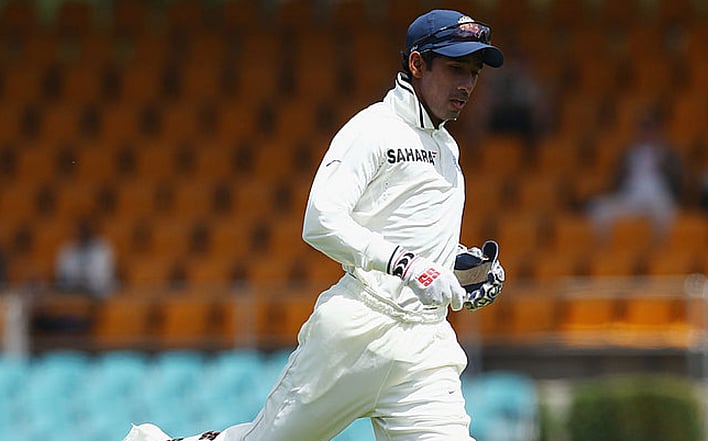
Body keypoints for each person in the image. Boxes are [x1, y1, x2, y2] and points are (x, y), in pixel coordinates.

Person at [124, 9, 506, 441]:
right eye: (455, 68)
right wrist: (406, 265)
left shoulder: (447, 149)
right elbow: (320, 220)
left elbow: (403, 229)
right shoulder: (373, 130)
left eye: (473, 73)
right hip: (357, 332)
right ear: (417, 64)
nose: (466, 85)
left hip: (425, 345)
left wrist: (457, 262)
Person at [587, 109, 684, 239]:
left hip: (658, 198)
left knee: (665, 213)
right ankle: (603, 251)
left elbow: (679, 180)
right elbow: (615, 181)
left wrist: (663, 169)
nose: (647, 133)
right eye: (644, 129)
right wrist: (623, 174)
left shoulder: (668, 154)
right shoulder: (629, 154)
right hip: (631, 199)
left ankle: (659, 254)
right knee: (599, 208)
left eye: (651, 129)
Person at [54, 218, 116, 297]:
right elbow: (63, 273)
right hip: (72, 292)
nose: (82, 234)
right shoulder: (67, 248)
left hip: (98, 292)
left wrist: (84, 279)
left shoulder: (103, 247)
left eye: (85, 231)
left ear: (91, 232)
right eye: (79, 231)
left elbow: (103, 274)